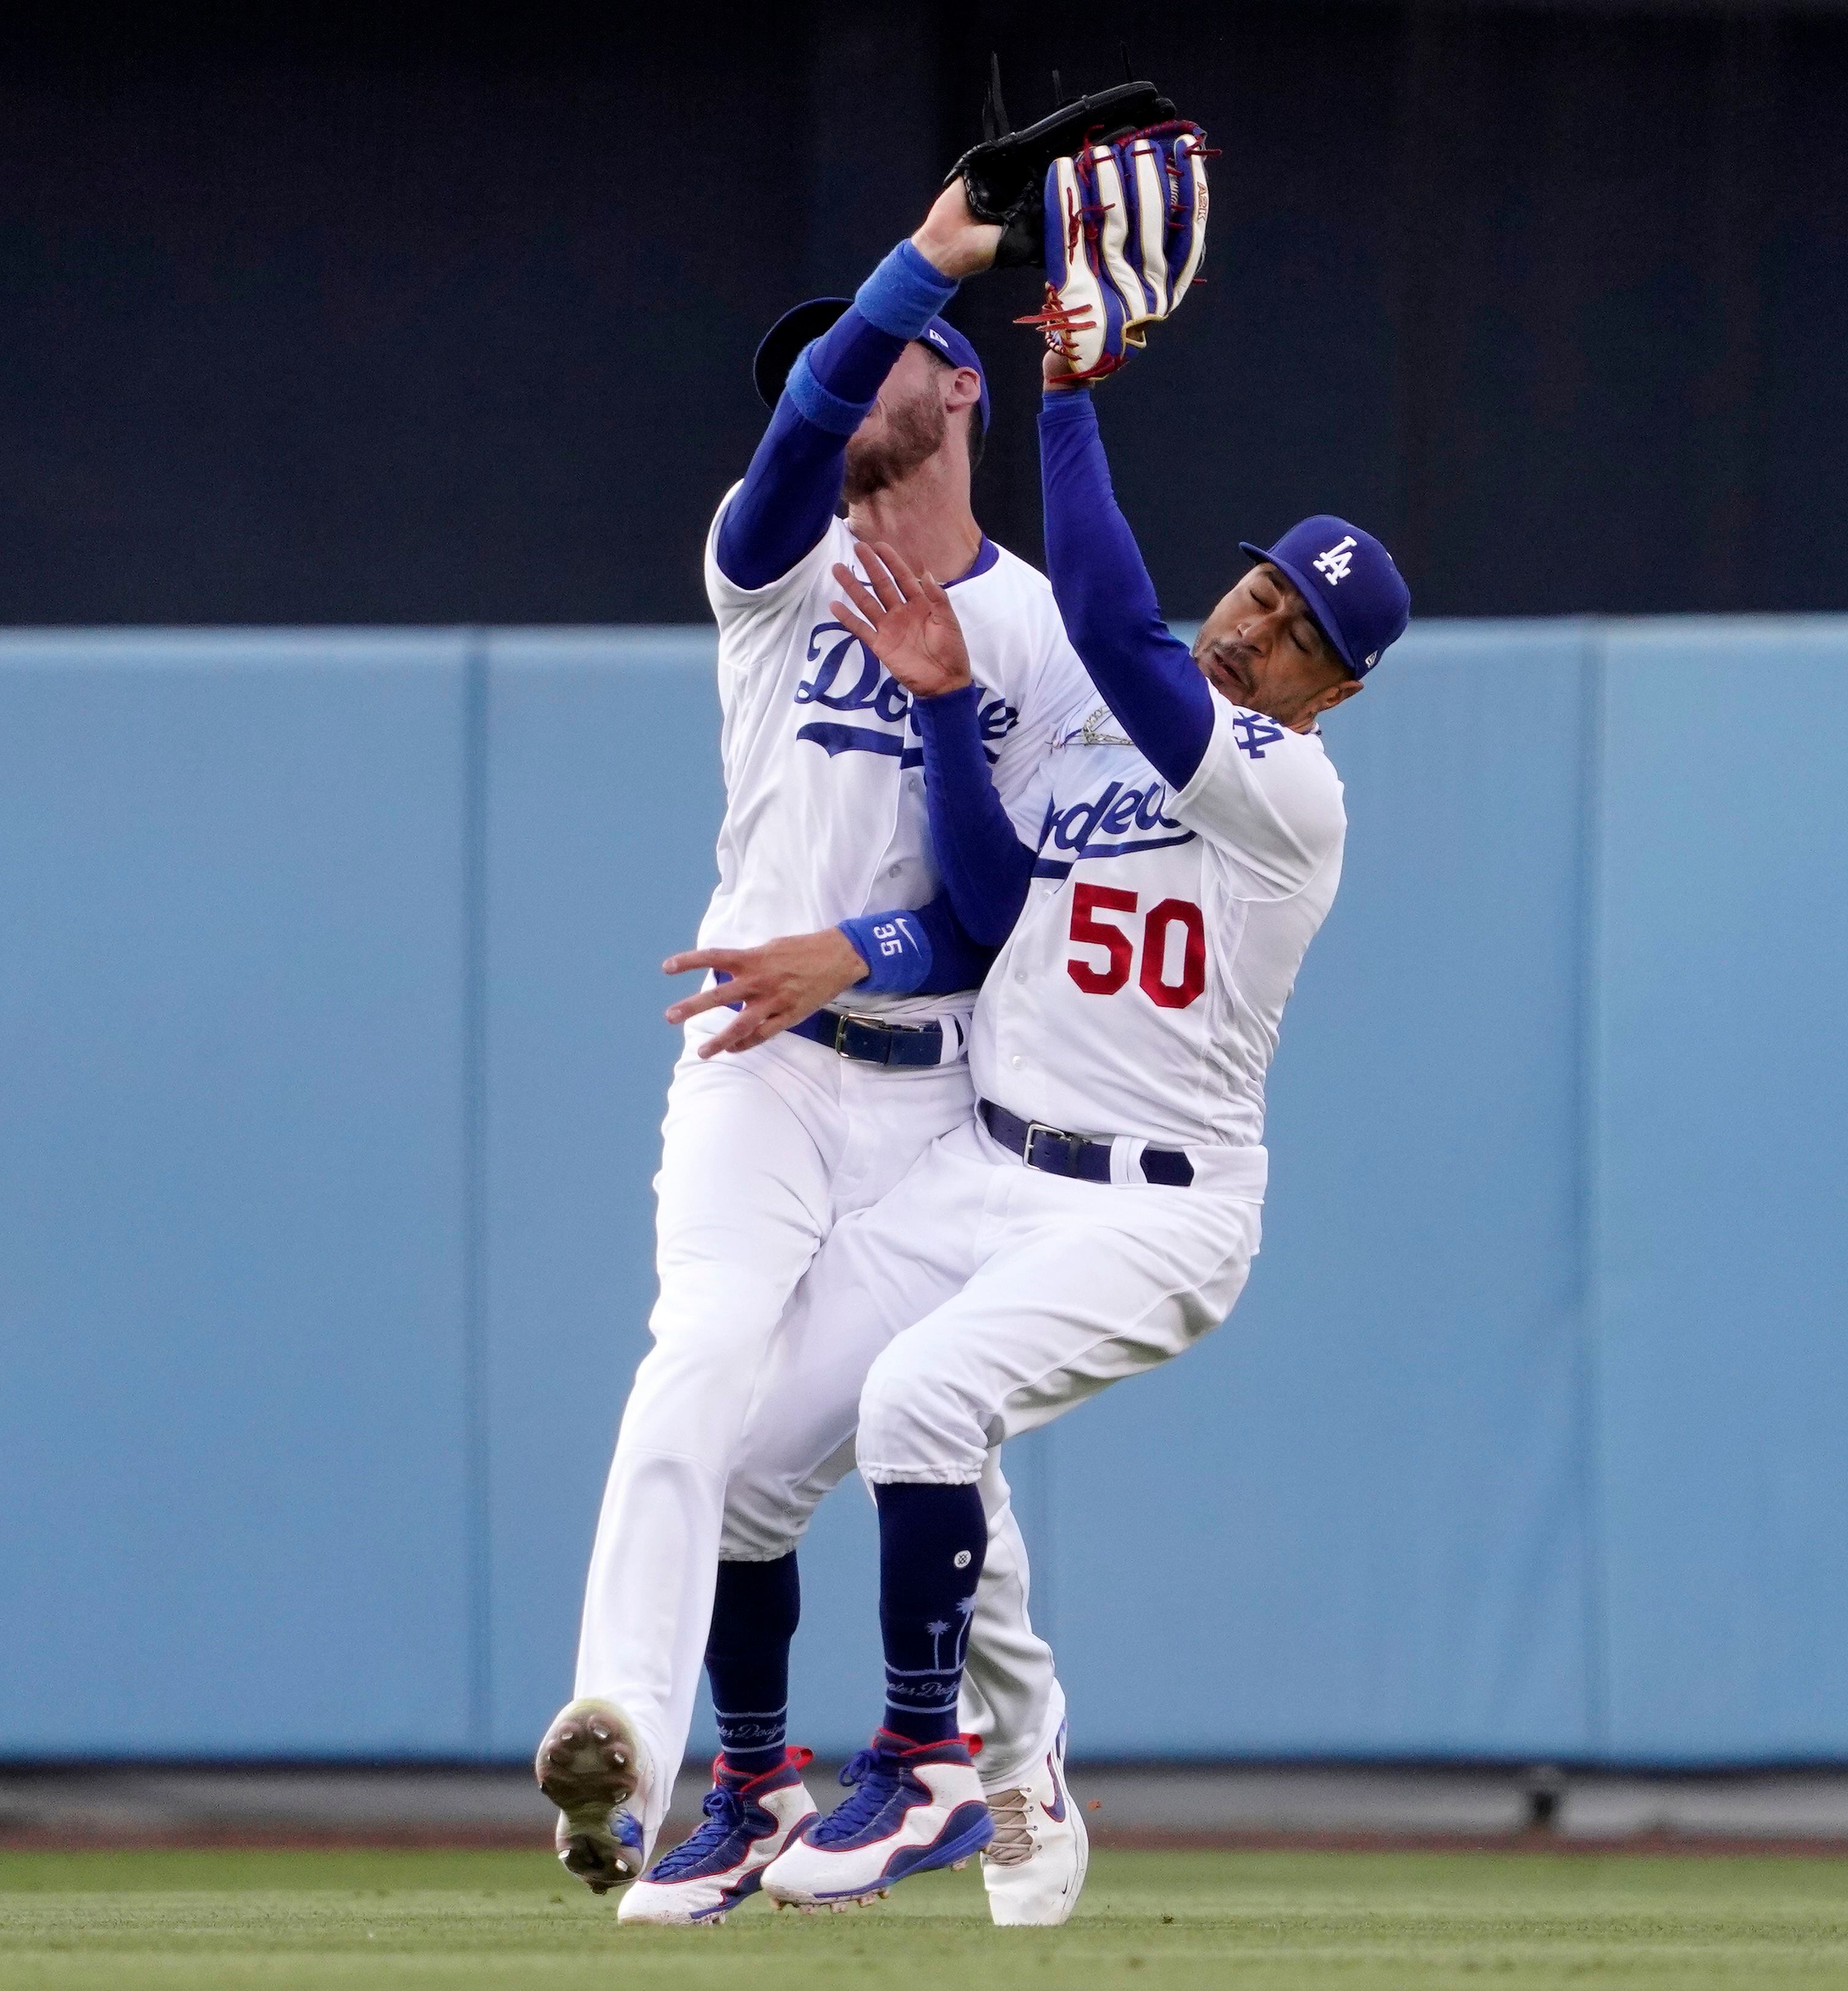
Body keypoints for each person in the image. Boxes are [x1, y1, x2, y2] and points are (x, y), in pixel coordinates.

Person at [703, 298, 1412, 1911]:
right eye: (1256, 589)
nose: (1254, 627)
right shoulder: (1107, 729)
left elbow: (1102, 608)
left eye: (1300, 629)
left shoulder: (1289, 791)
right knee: (754, 1463)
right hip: (985, 1160)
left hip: (1155, 1210)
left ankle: (923, 1767)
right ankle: (897, 1773)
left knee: (922, 1408)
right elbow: (997, 897)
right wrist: (950, 709)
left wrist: (1072, 392)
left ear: (1337, 690)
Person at [534, 179, 1090, 1927]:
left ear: (965, 390)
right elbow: (794, 424)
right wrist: (920, 268)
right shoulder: (768, 570)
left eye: (884, 365)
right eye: (825, 375)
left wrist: (862, 928)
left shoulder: (1042, 638)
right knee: (699, 1352)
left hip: (936, 1098)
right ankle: (636, 1730)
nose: (841, 394)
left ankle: (990, 1763)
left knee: (907, 1435)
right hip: (756, 1074)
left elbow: (1001, 920)